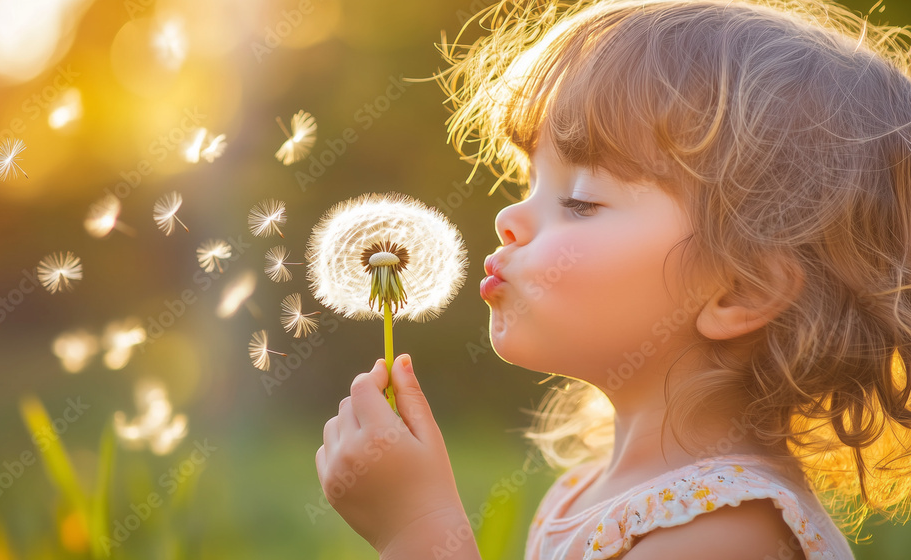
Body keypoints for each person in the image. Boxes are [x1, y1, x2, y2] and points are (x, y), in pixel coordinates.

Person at [315, 1, 911, 558]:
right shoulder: (584, 495)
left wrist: (418, 530)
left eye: (580, 201)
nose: (508, 218)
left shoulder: (722, 530)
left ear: (741, 290)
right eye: (530, 182)